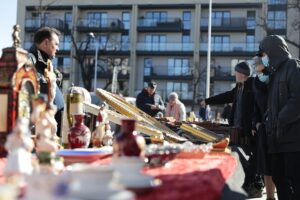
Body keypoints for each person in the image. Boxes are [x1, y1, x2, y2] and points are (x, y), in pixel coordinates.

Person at [201, 61, 263, 198]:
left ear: (241, 73)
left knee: (253, 160)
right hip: (238, 130)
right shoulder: (239, 87)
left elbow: (257, 106)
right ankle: (248, 185)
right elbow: (226, 96)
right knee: (241, 158)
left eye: (236, 72)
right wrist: (208, 101)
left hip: (250, 130)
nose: (234, 74)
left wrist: (254, 124)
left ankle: (255, 186)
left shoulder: (253, 85)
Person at [256, 35, 300, 200]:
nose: (262, 58)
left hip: (293, 140)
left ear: (272, 51)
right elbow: (266, 100)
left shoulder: (293, 67)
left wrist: (280, 119)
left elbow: (297, 99)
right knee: (279, 179)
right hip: (277, 139)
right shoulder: (274, 74)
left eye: (264, 54)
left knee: (294, 182)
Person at [28, 27, 64, 137]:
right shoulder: (29, 60)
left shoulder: (49, 66)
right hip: (39, 131)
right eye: (56, 44)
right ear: (46, 42)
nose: (58, 48)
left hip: (51, 130)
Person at [252, 56, 276, 200]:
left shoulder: (274, 77)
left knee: (278, 164)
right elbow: (255, 104)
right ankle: (270, 197)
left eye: (257, 63)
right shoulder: (256, 81)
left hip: (277, 126)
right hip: (263, 128)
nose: (255, 66)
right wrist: (256, 123)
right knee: (266, 165)